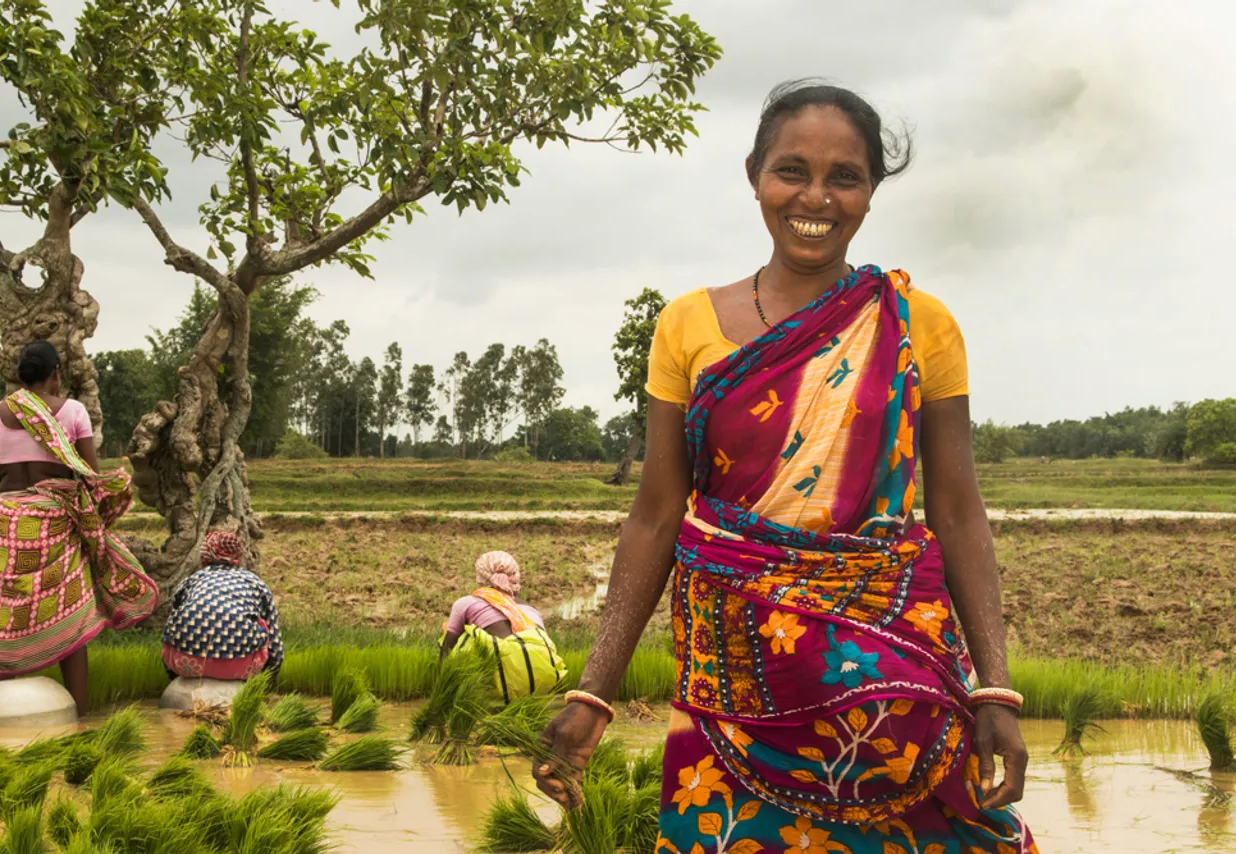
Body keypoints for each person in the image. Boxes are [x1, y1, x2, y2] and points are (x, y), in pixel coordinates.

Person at [533, 81, 1038, 853]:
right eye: (791, 171)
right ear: (753, 175)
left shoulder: (919, 324)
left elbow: (959, 510)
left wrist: (994, 686)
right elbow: (656, 515)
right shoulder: (686, 326)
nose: (816, 197)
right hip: (730, 676)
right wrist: (593, 691)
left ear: (871, 192)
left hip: (894, 675)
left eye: (845, 177)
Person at [0, 340, 158, 716]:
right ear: (56, 374)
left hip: (11, 523)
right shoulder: (73, 410)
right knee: (70, 613)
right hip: (55, 523)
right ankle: (79, 715)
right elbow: (88, 473)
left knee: (8, 608)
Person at [441, 551, 566, 702]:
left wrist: (441, 689)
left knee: (466, 635)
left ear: (481, 576)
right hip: (545, 674)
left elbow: (447, 649)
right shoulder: (531, 609)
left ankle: (465, 698)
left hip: (506, 677)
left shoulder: (466, 603)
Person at [162, 530, 285, 681]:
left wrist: (173, 676)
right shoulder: (255, 582)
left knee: (176, 622)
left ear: (205, 555)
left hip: (185, 664)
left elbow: (170, 625)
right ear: (238, 555)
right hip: (241, 666)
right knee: (262, 624)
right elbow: (275, 645)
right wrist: (268, 680)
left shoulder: (192, 580)